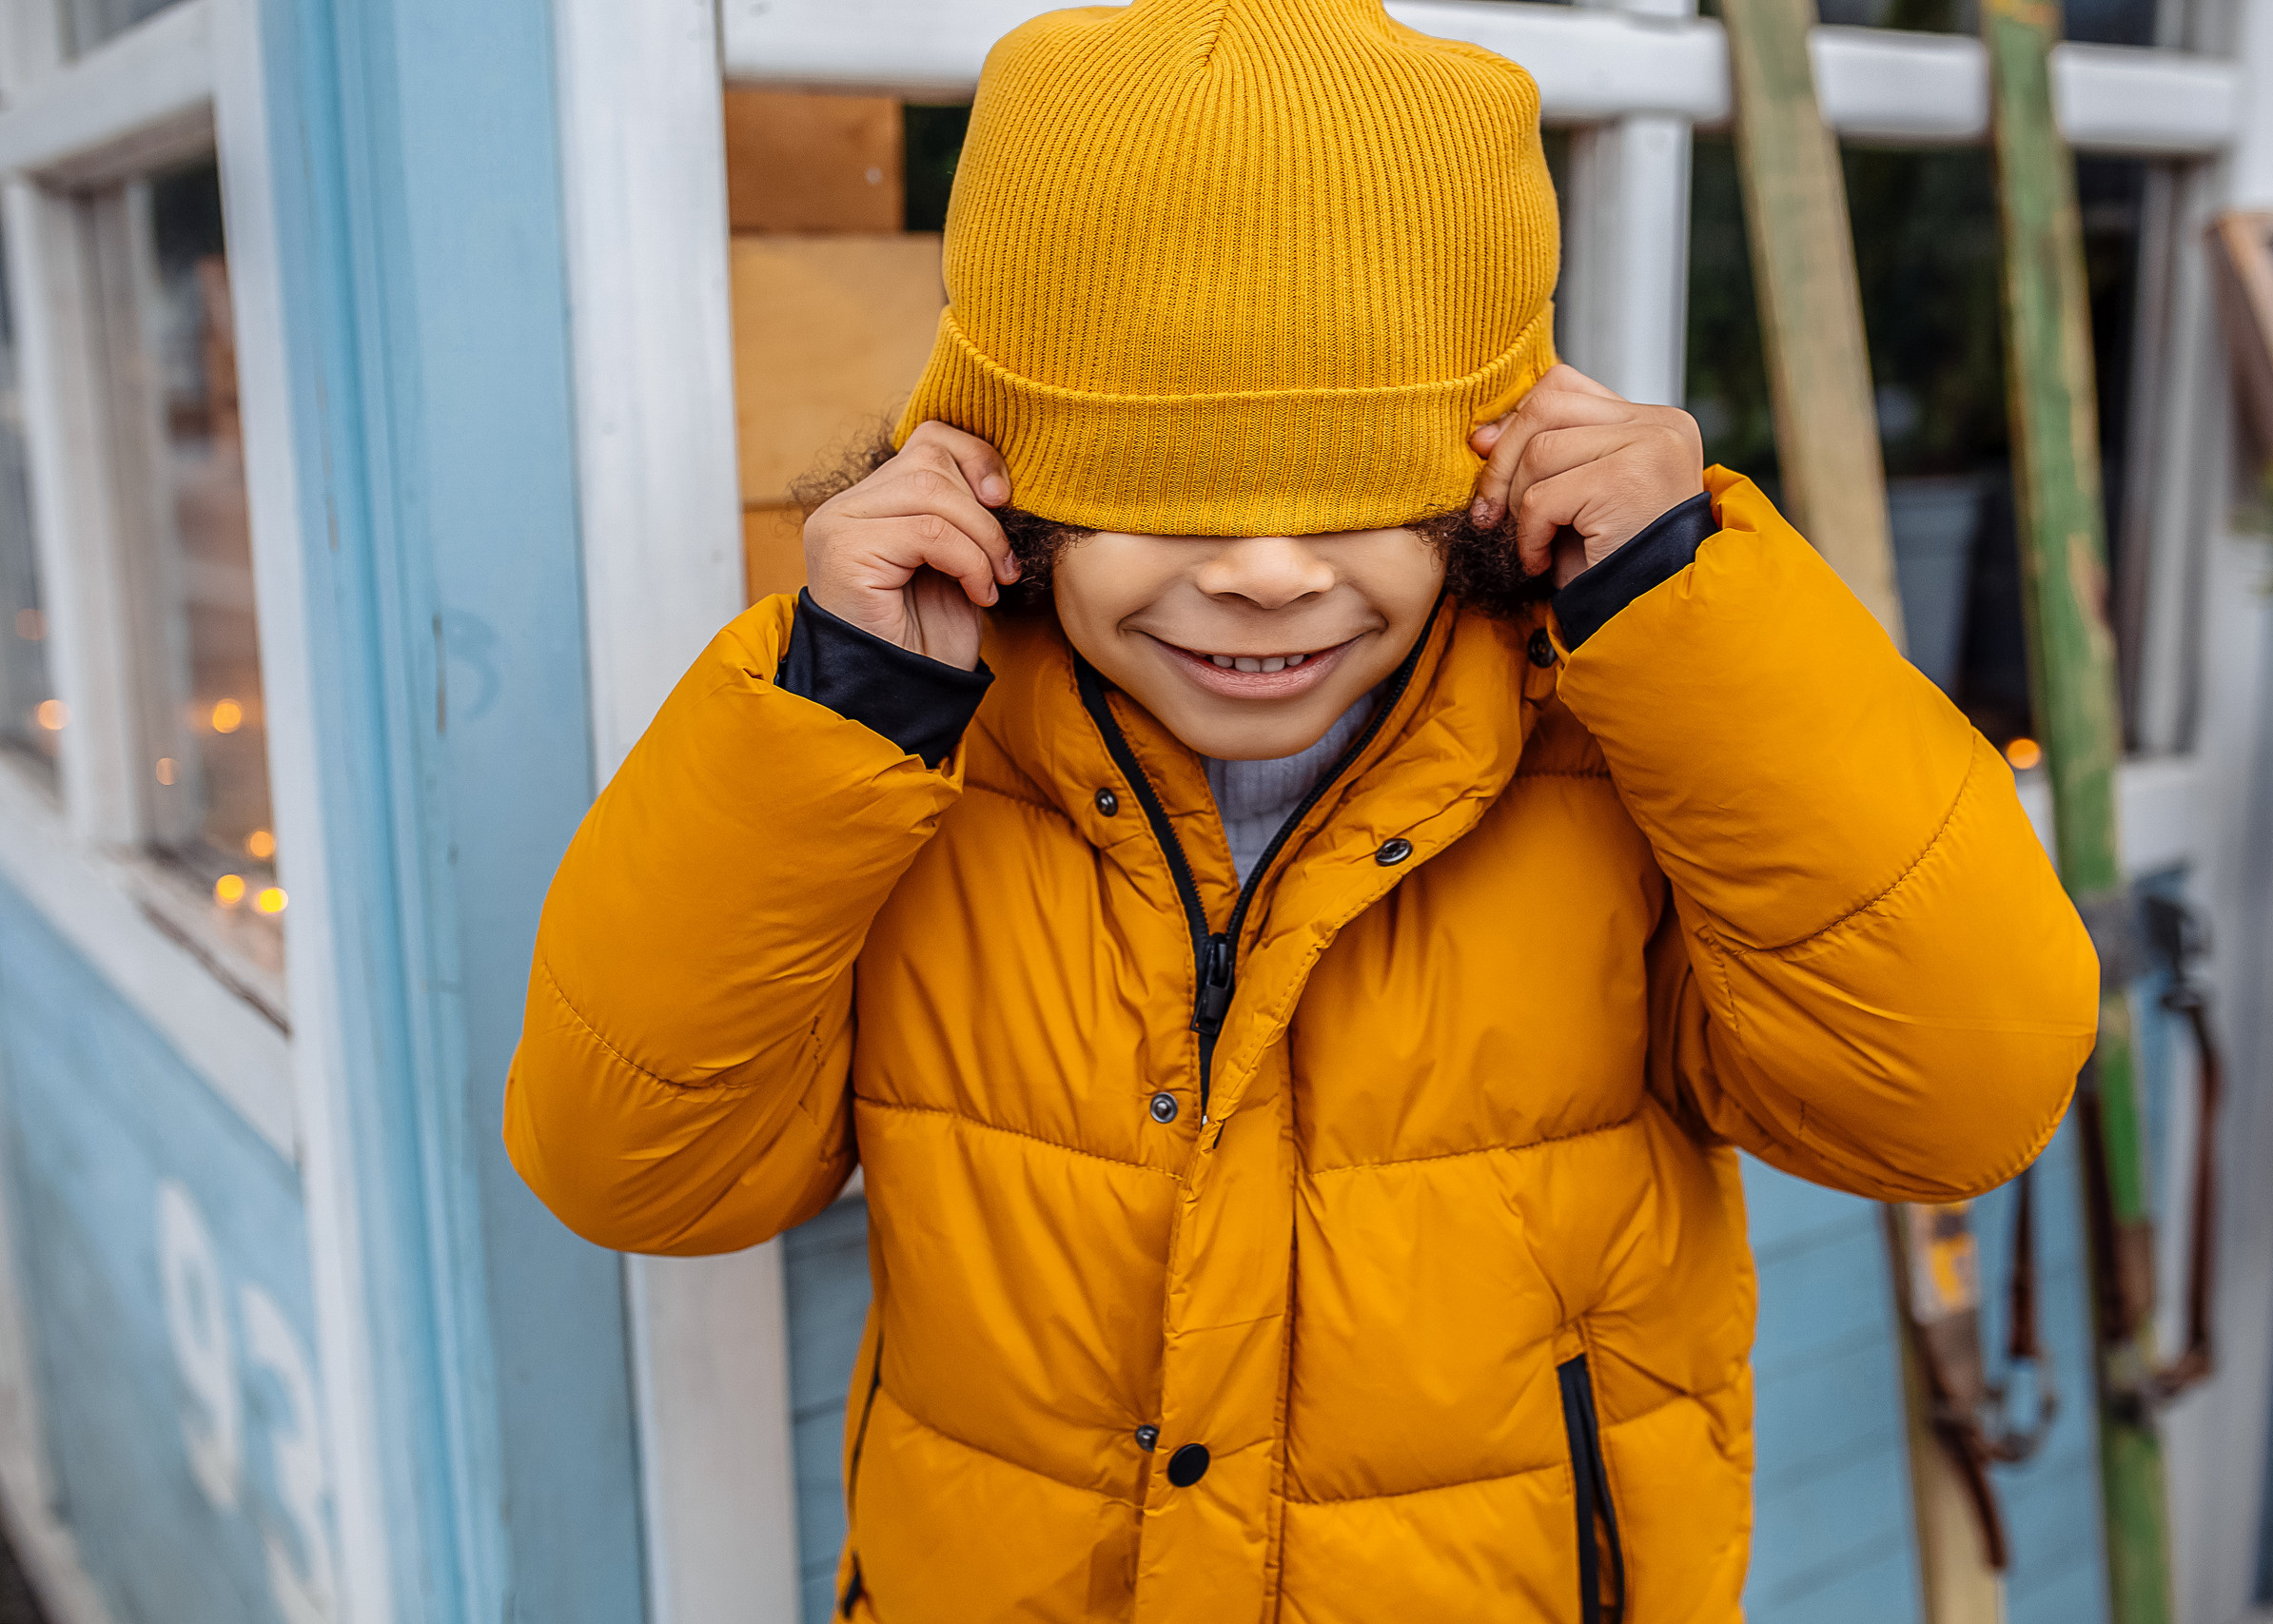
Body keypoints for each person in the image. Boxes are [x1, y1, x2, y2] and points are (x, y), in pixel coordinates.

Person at [503, 0, 2095, 1617]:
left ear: (1491, 476)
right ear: (1007, 475)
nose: (1267, 572)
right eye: (1163, 489)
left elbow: (1955, 1095)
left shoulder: (1623, 758)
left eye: (1356, 485)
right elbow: (633, 1164)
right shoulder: (910, 768)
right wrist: (840, 715)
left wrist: (1693, 610)